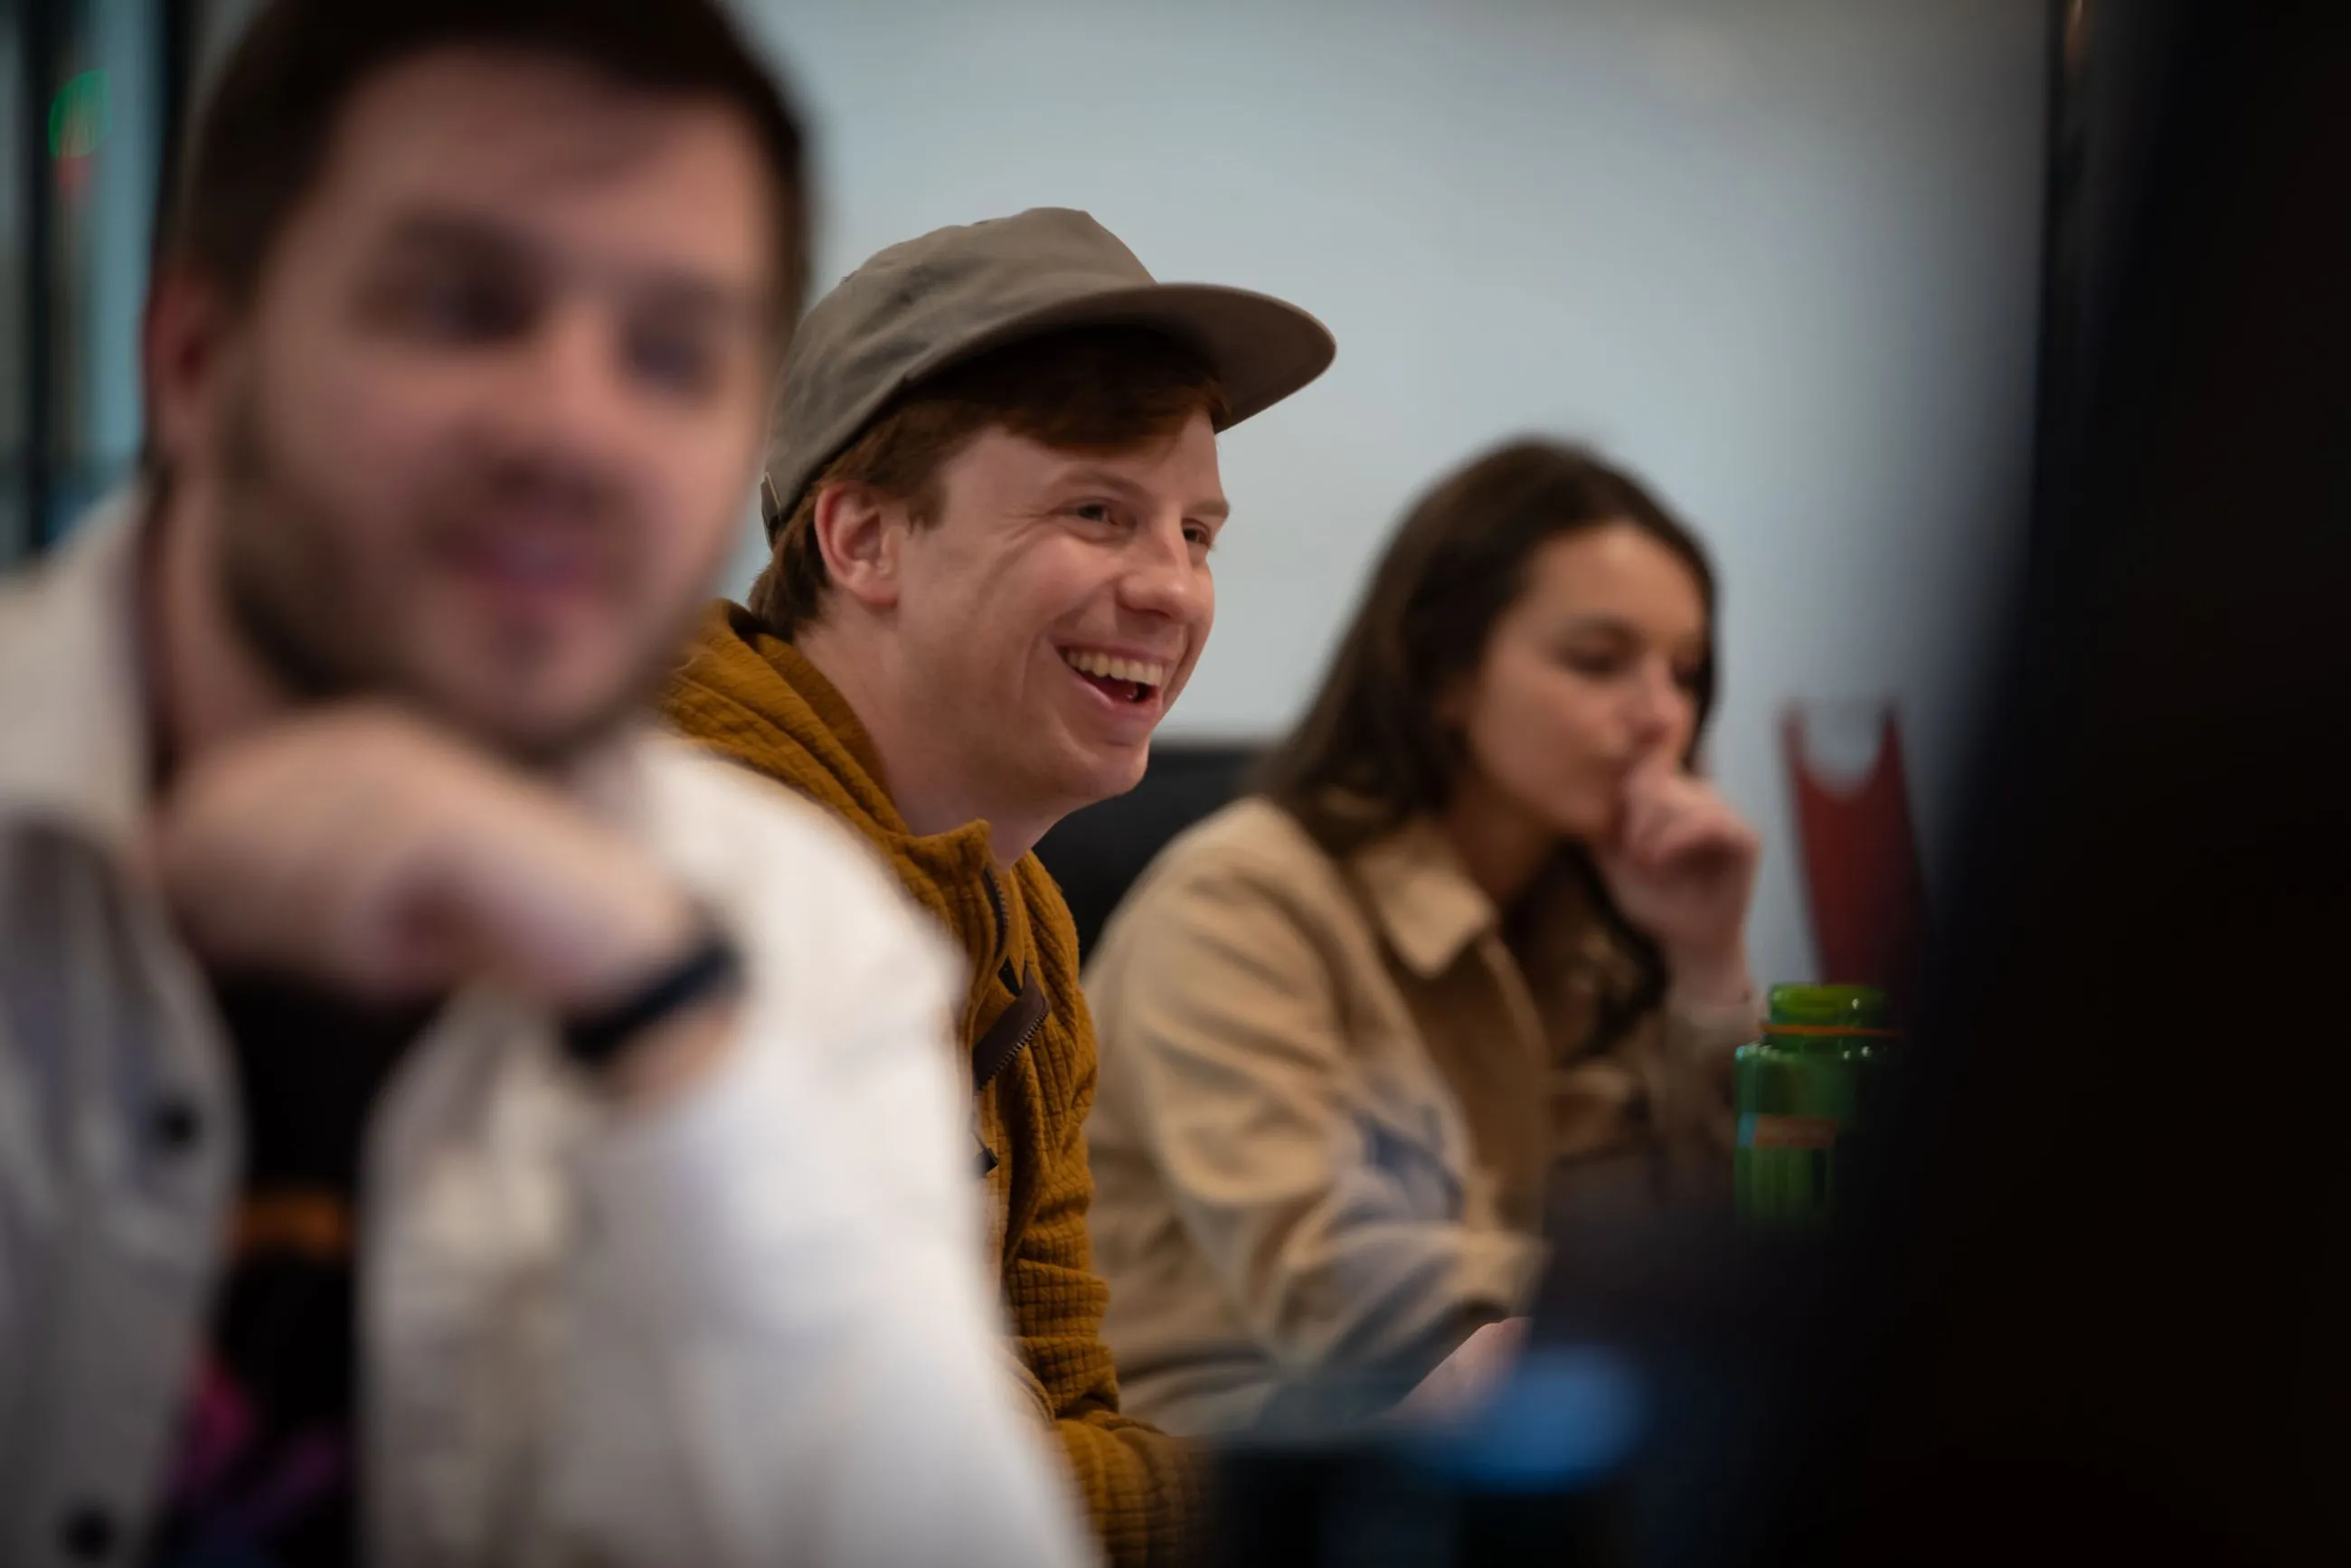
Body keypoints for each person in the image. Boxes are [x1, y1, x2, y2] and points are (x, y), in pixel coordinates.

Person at [0, 5, 1090, 1566]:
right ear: (193, 360)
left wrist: (652, 1007)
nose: (574, 426)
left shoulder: (792, 945)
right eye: (459, 307)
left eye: (672, 353)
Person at [662, 207, 1337, 1566]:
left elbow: (1060, 1398)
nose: (1173, 590)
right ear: (862, 541)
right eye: (1099, 512)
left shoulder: (1015, 911)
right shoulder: (711, 884)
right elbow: (907, 1507)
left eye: (1196, 531)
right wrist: (1319, 1469)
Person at [1082, 439, 1761, 1435]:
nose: (1660, 717)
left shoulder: (1593, 925)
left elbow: (1702, 1227)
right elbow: (1330, 1282)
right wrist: (1681, 1308)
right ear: (1444, 671)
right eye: (1597, 662)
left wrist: (1707, 965)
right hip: (1235, 1479)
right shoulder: (1243, 902)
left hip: (1500, 1450)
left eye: (1685, 674)